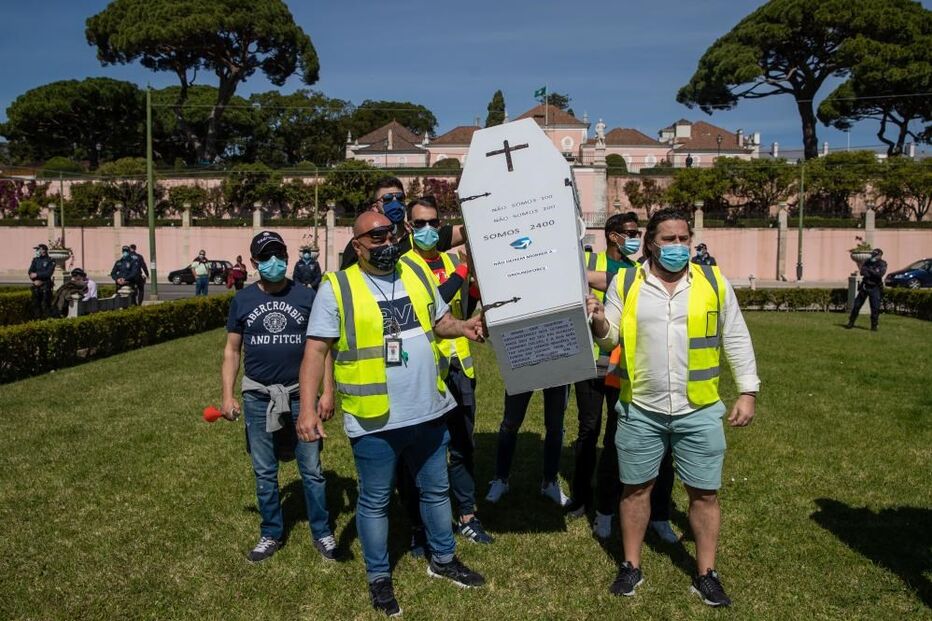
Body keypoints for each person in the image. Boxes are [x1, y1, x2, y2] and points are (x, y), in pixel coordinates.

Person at [301, 211, 486, 616]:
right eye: (377, 237)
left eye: (391, 235)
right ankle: (379, 578)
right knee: (375, 501)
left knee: (436, 492)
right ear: (358, 245)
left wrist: (465, 328)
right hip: (375, 419)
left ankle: (443, 558)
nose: (387, 243)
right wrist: (307, 409)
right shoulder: (338, 287)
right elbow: (316, 349)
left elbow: (441, 322)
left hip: (428, 408)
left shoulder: (415, 274)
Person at [587, 207, 759, 607]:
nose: (678, 246)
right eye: (669, 239)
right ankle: (631, 565)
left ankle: (706, 573)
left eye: (684, 238)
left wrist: (747, 391)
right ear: (650, 242)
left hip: (698, 409)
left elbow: (735, 336)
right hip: (640, 407)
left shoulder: (713, 282)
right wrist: (597, 321)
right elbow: (610, 339)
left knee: (704, 494)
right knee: (635, 490)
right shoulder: (627, 282)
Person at [220, 230, 336, 564]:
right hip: (258, 396)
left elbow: (324, 349)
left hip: (302, 396)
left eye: (280, 255)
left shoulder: (307, 296)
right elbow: (231, 350)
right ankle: (271, 532)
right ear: (254, 262)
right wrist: (228, 395)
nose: (275, 262)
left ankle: (322, 530)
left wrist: (327, 391)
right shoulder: (242, 300)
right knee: (264, 470)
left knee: (312, 468)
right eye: (267, 257)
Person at [570, 212, 677, 544]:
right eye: (630, 232)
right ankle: (581, 497)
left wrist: (589, 277)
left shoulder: (634, 272)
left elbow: (605, 278)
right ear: (613, 235)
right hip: (589, 361)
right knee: (589, 431)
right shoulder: (591, 258)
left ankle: (637, 508)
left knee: (617, 439)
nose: (635, 237)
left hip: (621, 366)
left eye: (638, 233)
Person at [399, 197, 492, 549]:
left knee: (463, 445)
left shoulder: (452, 260)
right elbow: (434, 302)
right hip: (424, 370)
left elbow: (464, 306)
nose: (427, 230)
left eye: (433, 223)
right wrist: (464, 272)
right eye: (419, 224)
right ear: (408, 227)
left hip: (460, 365)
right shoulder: (404, 265)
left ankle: (467, 515)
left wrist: (476, 291)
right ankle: (420, 524)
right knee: (421, 450)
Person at [338, 176, 466, 269]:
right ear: (375, 207)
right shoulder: (364, 243)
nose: (395, 203)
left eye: (399, 198)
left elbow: (468, 231)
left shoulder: (423, 236)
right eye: (387, 199)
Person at [486, 385, 571, 507]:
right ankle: (501, 479)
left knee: (555, 426)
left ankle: (550, 482)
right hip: (521, 370)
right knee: (510, 423)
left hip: (557, 371)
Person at [847, 248, 887, 331]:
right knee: (857, 305)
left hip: (875, 288)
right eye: (873, 255)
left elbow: (879, 275)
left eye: (875, 255)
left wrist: (870, 271)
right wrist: (873, 272)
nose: (873, 257)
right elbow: (862, 272)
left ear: (880, 256)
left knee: (875, 308)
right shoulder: (867, 261)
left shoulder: (882, 264)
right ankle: (851, 322)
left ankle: (874, 326)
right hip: (865, 286)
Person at [27, 243, 55, 319]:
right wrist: (34, 280)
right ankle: (37, 321)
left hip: (45, 286)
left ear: (43, 250)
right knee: (35, 305)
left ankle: (46, 321)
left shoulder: (50, 260)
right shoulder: (35, 260)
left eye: (38, 249)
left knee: (45, 305)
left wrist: (37, 275)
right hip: (36, 286)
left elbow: (48, 273)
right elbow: (30, 271)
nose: (36, 251)